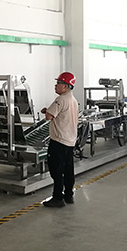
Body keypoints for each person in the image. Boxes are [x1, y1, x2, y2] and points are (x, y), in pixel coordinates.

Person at [40, 72, 79, 208]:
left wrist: (47, 112)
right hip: (70, 140)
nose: (55, 86)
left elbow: (49, 117)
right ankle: (68, 195)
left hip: (59, 141)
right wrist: (48, 111)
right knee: (68, 169)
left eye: (58, 83)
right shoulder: (72, 99)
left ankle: (57, 198)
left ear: (66, 86)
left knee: (56, 170)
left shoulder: (61, 99)